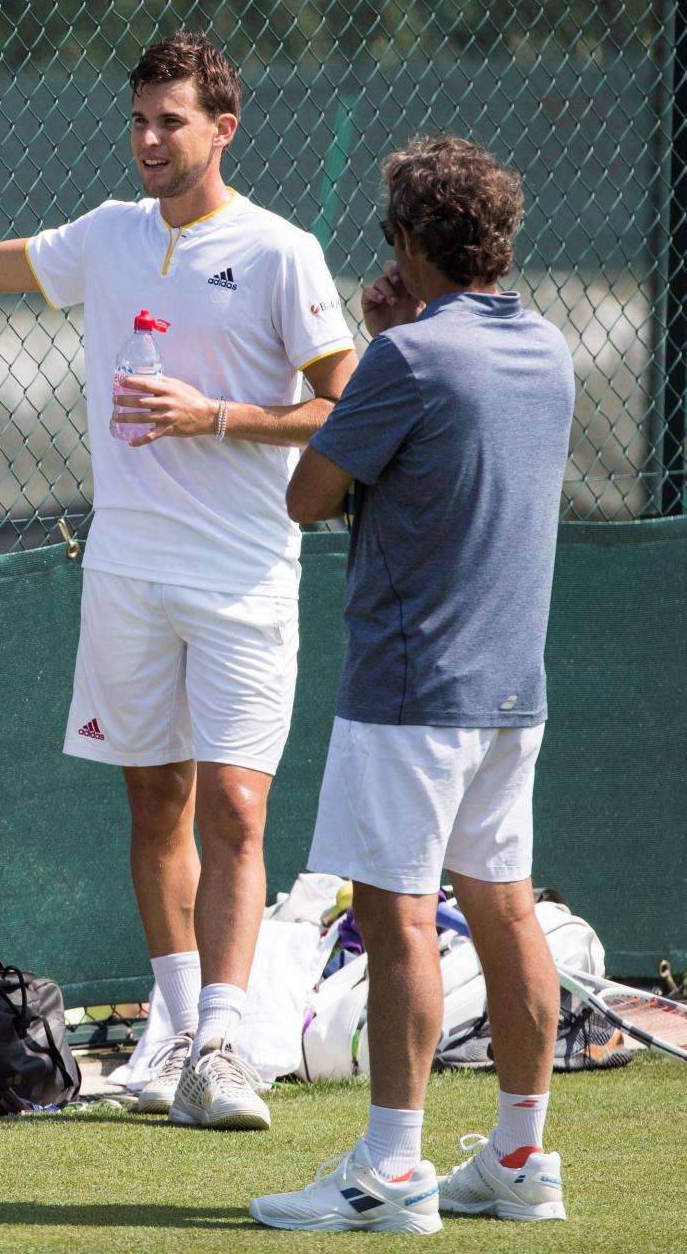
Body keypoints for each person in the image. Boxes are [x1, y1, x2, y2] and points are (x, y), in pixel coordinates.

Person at [0, 30, 356, 1129]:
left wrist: (218, 418)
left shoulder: (282, 251)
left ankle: (226, 1046)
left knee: (236, 810)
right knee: (154, 801)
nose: (149, 140)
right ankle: (183, 1031)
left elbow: (345, 406)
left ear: (220, 128)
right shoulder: (106, 236)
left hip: (245, 574)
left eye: (171, 122)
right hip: (125, 573)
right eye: (139, 120)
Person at [250, 136, 574, 1232]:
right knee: (502, 907)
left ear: (410, 241)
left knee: (395, 918)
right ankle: (521, 1154)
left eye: (390, 233)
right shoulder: (548, 350)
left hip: (407, 687)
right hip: (508, 696)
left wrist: (385, 340)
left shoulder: (404, 360)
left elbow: (307, 494)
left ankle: (390, 1169)